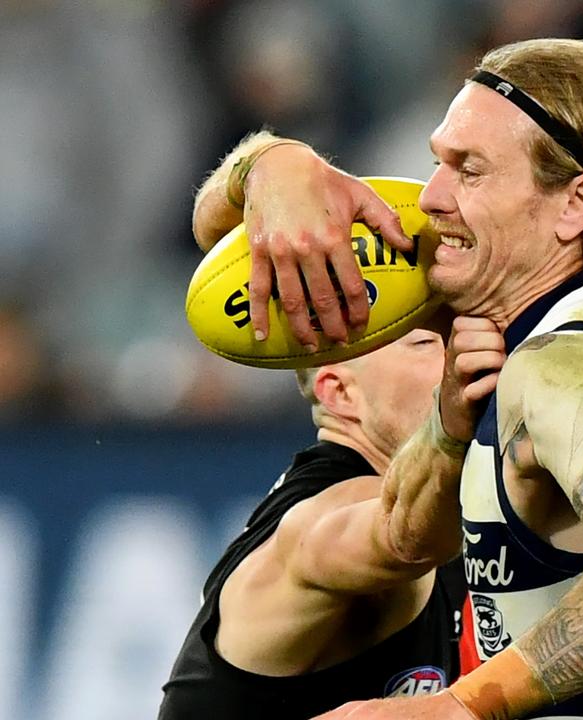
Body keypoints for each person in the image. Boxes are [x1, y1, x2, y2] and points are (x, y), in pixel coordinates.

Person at [207, 38, 583, 720]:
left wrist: (464, 707)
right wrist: (272, 163)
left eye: (469, 171)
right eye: (437, 162)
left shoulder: (561, 361)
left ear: (576, 203)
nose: (431, 198)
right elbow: (225, 241)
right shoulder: (547, 316)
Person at [161, 137, 509, 719]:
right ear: (338, 391)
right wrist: (271, 159)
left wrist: (271, 166)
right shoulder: (315, 524)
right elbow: (405, 534)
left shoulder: (469, 497)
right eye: (426, 342)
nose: (459, 350)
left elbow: (218, 223)